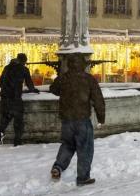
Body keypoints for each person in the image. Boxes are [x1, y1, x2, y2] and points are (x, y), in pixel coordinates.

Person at [50, 56, 105, 187]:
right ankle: (83, 177)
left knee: (67, 145)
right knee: (85, 148)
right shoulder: (89, 79)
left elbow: (53, 89)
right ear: (83, 65)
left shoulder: (64, 78)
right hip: (82, 120)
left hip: (67, 120)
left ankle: (58, 167)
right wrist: (101, 118)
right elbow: (98, 100)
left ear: (69, 65)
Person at [0, 54, 40, 146]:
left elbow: (0, 83)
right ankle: (17, 141)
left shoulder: (7, 68)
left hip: (5, 98)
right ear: (24, 61)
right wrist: (33, 90)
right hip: (15, 99)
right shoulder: (24, 69)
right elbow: (29, 84)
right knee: (18, 121)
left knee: (4, 120)